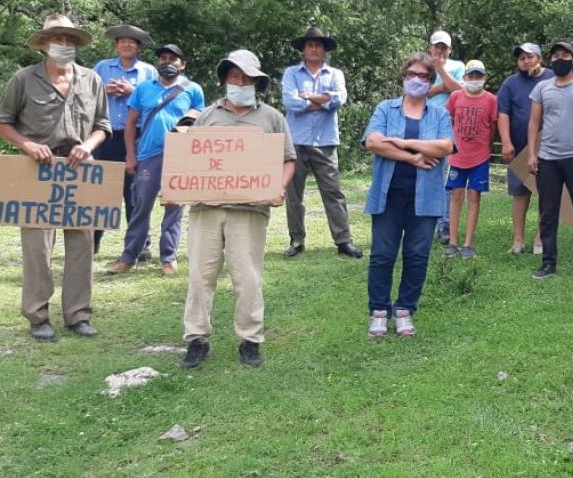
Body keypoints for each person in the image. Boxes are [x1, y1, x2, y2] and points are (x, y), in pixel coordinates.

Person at [0, 14, 111, 341]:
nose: (65, 45)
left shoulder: (92, 80)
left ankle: (78, 315)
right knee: (37, 248)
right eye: (58, 39)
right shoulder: (23, 79)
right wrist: (28, 145)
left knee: (82, 245)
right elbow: (0, 122)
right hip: (37, 172)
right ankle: (38, 316)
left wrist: (88, 146)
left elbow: (103, 126)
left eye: (71, 40)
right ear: (43, 44)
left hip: (80, 171)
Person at [179, 50, 296, 369]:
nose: (240, 82)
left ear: (257, 82)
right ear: (225, 79)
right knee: (200, 275)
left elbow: (288, 159)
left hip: (250, 210)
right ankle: (196, 339)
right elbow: (189, 159)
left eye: (246, 78)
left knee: (247, 276)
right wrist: (175, 186)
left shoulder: (272, 117)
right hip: (207, 209)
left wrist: (278, 187)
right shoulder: (207, 115)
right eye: (234, 77)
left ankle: (250, 339)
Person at [361, 54, 454, 338]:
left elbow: (445, 147)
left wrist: (404, 142)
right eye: (412, 74)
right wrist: (412, 158)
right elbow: (373, 141)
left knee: (417, 255)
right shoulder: (386, 109)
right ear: (403, 77)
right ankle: (379, 311)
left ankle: (404, 309)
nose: (416, 80)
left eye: (423, 76)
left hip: (425, 197)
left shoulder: (439, 114)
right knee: (382, 254)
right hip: (388, 195)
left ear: (430, 81)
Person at [106, 44, 204, 276]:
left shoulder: (193, 90)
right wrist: (130, 155)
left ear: (183, 64)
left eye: (173, 59)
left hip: (180, 157)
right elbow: (131, 124)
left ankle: (168, 258)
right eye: (163, 58)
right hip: (147, 155)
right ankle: (129, 256)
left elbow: (199, 119)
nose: (167, 62)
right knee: (140, 206)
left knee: (174, 207)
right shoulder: (143, 88)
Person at [281, 27, 363, 259]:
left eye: (318, 45)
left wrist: (306, 97)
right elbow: (290, 102)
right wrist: (323, 99)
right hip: (295, 141)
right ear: (303, 50)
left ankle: (343, 241)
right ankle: (297, 240)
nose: (314, 48)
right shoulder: (291, 73)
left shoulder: (335, 74)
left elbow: (340, 99)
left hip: (325, 142)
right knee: (294, 194)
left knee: (333, 192)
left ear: (325, 50)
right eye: (310, 45)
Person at [526, 42, 573, 281]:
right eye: (556, 55)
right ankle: (548, 263)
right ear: (550, 60)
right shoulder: (542, 88)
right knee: (547, 213)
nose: (561, 59)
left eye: (565, 55)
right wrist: (531, 154)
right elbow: (533, 122)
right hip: (548, 159)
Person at [92, 24, 158, 256]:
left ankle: (140, 245)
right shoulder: (102, 67)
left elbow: (158, 98)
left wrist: (133, 91)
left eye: (132, 41)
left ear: (139, 47)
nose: (127, 45)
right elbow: (86, 93)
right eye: (122, 41)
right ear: (115, 45)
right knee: (101, 190)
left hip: (138, 137)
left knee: (136, 192)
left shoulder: (148, 71)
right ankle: (91, 242)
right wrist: (105, 91)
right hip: (105, 135)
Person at [496, 43, 554, 254]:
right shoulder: (510, 83)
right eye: (521, 58)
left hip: (548, 147)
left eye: (529, 56)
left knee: (545, 194)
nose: (525, 61)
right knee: (520, 195)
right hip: (518, 149)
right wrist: (506, 141)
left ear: (539, 57)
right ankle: (518, 241)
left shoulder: (554, 78)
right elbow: (503, 113)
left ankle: (540, 240)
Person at [444, 59, 498, 258]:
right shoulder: (455, 97)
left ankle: (467, 244)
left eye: (479, 76)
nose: (475, 80)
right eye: (471, 76)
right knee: (456, 196)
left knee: (474, 197)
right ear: (465, 78)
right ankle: (452, 242)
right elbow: (446, 119)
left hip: (480, 157)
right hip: (458, 156)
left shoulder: (491, 99)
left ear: (484, 77)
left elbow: (492, 128)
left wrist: (486, 146)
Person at [424, 30, 464, 244]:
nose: (440, 50)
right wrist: (444, 86)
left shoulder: (458, 66)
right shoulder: (421, 65)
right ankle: (423, 224)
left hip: (448, 125)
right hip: (422, 124)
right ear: (430, 47)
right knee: (423, 173)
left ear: (450, 49)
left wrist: (440, 72)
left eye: (444, 47)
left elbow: (460, 91)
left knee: (446, 177)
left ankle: (445, 225)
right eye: (436, 46)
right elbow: (418, 92)